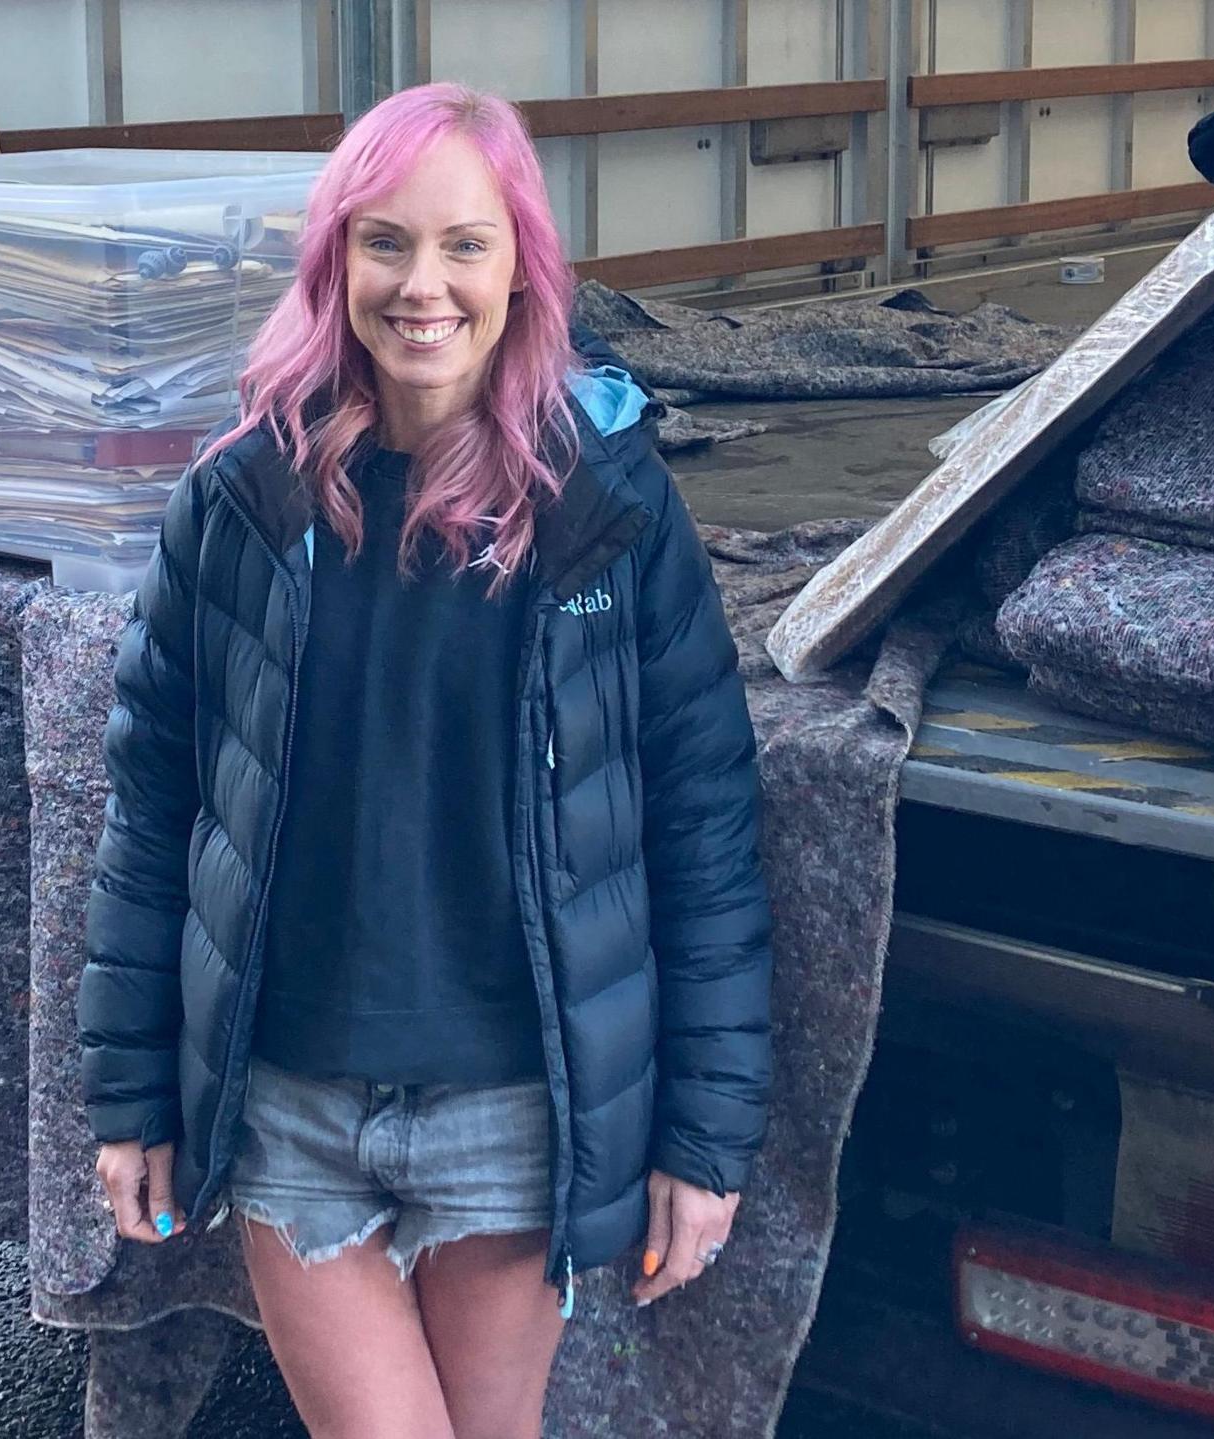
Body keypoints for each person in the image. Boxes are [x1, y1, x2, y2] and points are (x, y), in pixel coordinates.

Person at [80, 82, 773, 1439]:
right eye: (384, 241)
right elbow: (152, 805)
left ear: (523, 265)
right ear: (335, 258)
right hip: (293, 1102)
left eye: (465, 243)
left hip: (514, 1108)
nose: (422, 285)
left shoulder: (606, 508)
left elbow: (703, 823)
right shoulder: (240, 499)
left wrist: (705, 1139)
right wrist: (130, 1094)